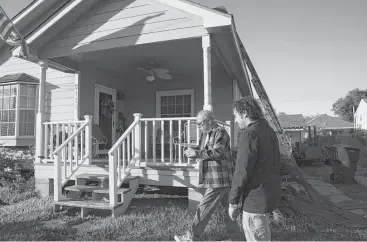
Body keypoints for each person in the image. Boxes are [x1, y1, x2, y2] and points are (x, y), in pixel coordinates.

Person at [174, 110, 243, 242]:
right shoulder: (205, 134)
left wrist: (197, 153)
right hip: (216, 177)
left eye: (200, 124)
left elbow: (218, 152)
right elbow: (201, 149)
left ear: (209, 121)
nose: (198, 126)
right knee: (228, 208)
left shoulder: (220, 132)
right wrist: (189, 148)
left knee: (204, 207)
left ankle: (192, 236)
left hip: (219, 178)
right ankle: (237, 238)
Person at [228, 96, 281, 241]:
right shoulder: (269, 131)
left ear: (244, 113)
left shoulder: (249, 134)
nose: (236, 120)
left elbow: (242, 170)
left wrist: (233, 201)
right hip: (269, 194)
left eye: (236, 116)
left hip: (255, 199)